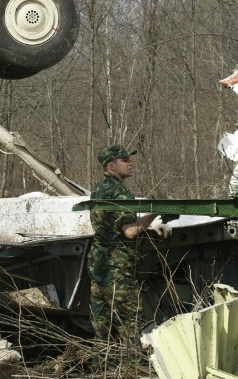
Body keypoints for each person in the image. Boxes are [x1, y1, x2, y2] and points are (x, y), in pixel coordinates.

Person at [87, 144, 167, 361]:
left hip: (98, 263)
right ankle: (132, 369)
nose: (130, 163)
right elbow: (130, 231)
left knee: (102, 325)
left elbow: (110, 227)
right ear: (111, 166)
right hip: (117, 267)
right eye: (124, 160)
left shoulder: (100, 188)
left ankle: (103, 369)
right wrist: (155, 212)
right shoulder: (120, 192)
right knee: (130, 322)